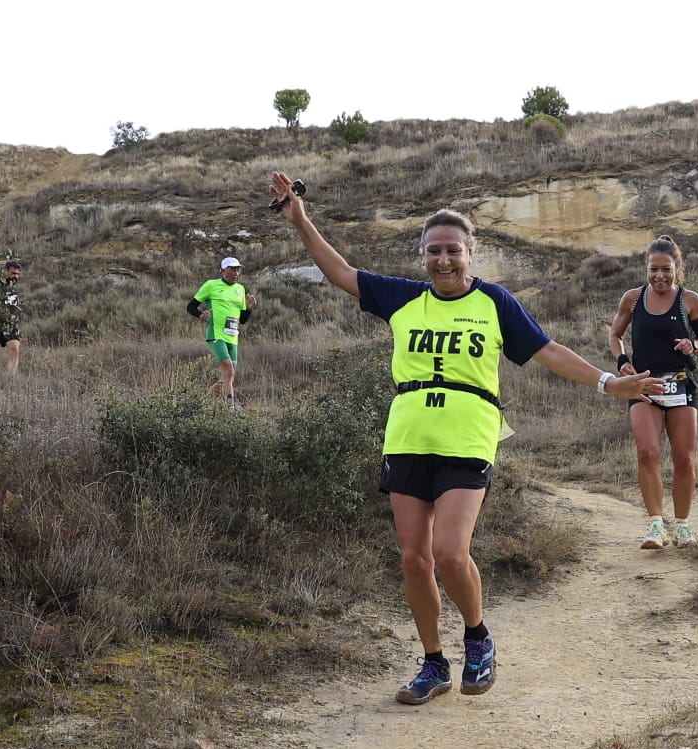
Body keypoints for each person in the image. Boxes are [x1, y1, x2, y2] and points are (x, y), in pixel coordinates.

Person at [270, 170, 662, 705]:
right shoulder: (404, 299)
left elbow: (547, 351)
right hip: (408, 434)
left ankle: (477, 637)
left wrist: (607, 382)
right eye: (434, 251)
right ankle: (433, 662)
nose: (443, 260)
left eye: (453, 250)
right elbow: (340, 271)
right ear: (423, 256)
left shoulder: (495, 302)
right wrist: (300, 220)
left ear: (471, 253)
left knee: (450, 552)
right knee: (413, 558)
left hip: (468, 435)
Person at [608, 235, 698, 548]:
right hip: (643, 384)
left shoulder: (690, 300)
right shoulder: (632, 298)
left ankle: (682, 526)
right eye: (653, 269)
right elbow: (615, 335)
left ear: (677, 268)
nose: (659, 275)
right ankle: (656, 524)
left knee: (684, 458)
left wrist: (693, 345)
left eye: (666, 269)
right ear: (645, 268)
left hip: (680, 384)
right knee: (647, 453)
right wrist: (622, 362)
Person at [189, 256, 250, 404]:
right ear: (223, 270)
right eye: (232, 269)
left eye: (238, 270)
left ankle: (204, 402)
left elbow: (242, 320)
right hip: (216, 334)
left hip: (232, 336)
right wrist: (200, 314)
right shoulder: (211, 285)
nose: (236, 273)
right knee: (228, 368)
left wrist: (249, 308)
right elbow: (190, 307)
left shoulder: (240, 289)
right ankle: (230, 406)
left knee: (228, 376)